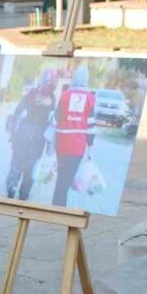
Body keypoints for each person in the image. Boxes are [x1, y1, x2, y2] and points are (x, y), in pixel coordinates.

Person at [5, 69, 59, 200]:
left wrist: (13, 134)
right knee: (30, 168)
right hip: (38, 138)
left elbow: (17, 113)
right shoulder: (52, 99)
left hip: (23, 133)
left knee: (16, 164)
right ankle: (24, 194)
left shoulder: (31, 93)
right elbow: (53, 122)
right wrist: (49, 148)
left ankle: (11, 189)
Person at [52, 67, 96, 207]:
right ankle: (59, 207)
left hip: (62, 142)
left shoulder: (65, 95)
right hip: (77, 145)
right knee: (68, 177)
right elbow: (91, 124)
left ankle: (57, 204)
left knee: (61, 175)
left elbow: (56, 118)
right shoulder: (90, 97)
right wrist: (90, 144)